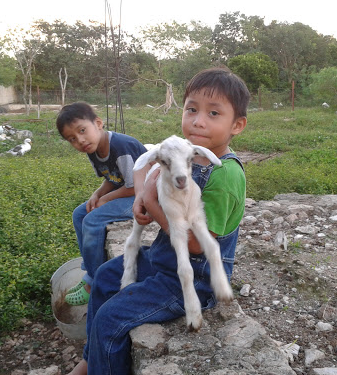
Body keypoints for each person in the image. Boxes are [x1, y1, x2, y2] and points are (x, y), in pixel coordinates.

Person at [67, 67, 249, 375]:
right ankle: (91, 358)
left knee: (112, 318)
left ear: (237, 125)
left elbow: (195, 244)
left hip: (193, 277)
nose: (198, 120)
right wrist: (143, 203)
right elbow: (151, 184)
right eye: (191, 109)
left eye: (214, 113)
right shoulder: (181, 155)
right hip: (163, 258)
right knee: (107, 275)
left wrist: (152, 201)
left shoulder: (224, 174)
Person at [56, 102, 147, 306]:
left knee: (92, 221)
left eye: (82, 130)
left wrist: (106, 199)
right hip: (127, 191)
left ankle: (95, 282)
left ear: (98, 123)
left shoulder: (121, 146)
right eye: (72, 139)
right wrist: (97, 193)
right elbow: (112, 178)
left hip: (144, 195)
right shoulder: (93, 149)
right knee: (80, 214)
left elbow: (134, 187)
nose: (80, 140)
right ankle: (91, 270)